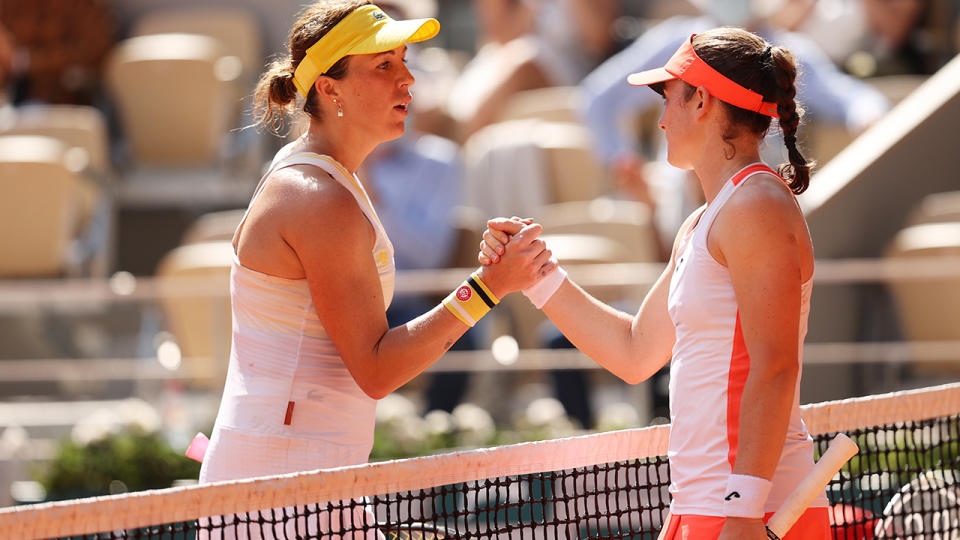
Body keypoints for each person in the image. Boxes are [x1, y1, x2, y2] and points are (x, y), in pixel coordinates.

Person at [197, 1, 554, 536]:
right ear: (330, 89)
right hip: (281, 490)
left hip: (304, 483)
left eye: (404, 60)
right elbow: (377, 369)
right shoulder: (319, 198)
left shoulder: (324, 183)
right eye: (383, 66)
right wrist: (488, 287)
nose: (408, 79)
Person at [481, 28, 830, 539]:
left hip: (748, 511)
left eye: (669, 99)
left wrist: (743, 512)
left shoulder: (757, 205)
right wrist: (535, 273)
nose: (661, 120)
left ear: (703, 101)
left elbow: (775, 367)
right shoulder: (703, 222)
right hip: (708, 506)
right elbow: (634, 353)